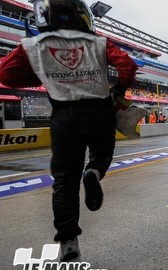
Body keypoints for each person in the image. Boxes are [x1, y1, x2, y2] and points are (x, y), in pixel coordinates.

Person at [0, 0, 137, 262]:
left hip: (63, 117)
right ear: (81, 16)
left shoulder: (32, 45)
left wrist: (42, 76)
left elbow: (6, 75)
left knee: (64, 182)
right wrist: (118, 90)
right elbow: (128, 66)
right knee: (102, 154)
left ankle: (68, 244)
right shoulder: (98, 42)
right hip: (99, 111)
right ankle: (94, 171)